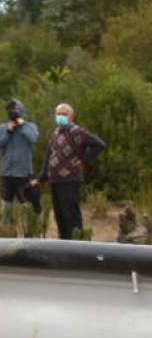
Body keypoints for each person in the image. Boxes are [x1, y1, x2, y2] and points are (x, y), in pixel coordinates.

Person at [30, 103, 106, 240]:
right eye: (59, 114)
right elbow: (48, 158)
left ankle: (78, 244)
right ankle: (64, 244)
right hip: (55, 180)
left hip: (70, 179)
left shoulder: (78, 132)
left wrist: (84, 161)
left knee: (71, 215)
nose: (61, 117)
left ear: (72, 116)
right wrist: (41, 179)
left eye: (64, 114)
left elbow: (99, 145)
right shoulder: (55, 133)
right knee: (59, 215)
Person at [0, 98, 41, 217]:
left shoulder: (30, 126)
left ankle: (29, 232)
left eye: (14, 109)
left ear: (21, 110)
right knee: (6, 206)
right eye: (10, 109)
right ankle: (6, 231)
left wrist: (22, 125)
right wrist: (8, 132)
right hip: (7, 173)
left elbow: (33, 139)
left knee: (26, 206)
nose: (12, 112)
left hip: (23, 173)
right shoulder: (3, 127)